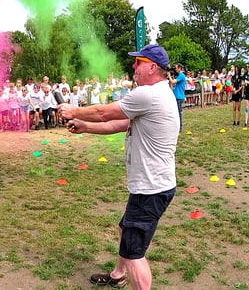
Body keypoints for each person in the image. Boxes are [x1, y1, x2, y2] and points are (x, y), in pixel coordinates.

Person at [58, 44, 178, 290]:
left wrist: (73, 110)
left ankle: (129, 274)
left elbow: (104, 113)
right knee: (125, 229)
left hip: (151, 188)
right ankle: (118, 275)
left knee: (135, 254)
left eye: (138, 62)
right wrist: (83, 126)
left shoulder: (149, 94)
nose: (134, 67)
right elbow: (117, 124)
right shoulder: (157, 94)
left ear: (152, 67)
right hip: (153, 185)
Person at [168, 63, 186, 132]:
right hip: (177, 96)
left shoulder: (181, 75)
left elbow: (172, 82)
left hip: (179, 97)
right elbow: (174, 84)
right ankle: (178, 127)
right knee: (177, 112)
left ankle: (180, 127)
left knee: (179, 112)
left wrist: (169, 75)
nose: (175, 69)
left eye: (176, 68)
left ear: (179, 68)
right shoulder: (180, 76)